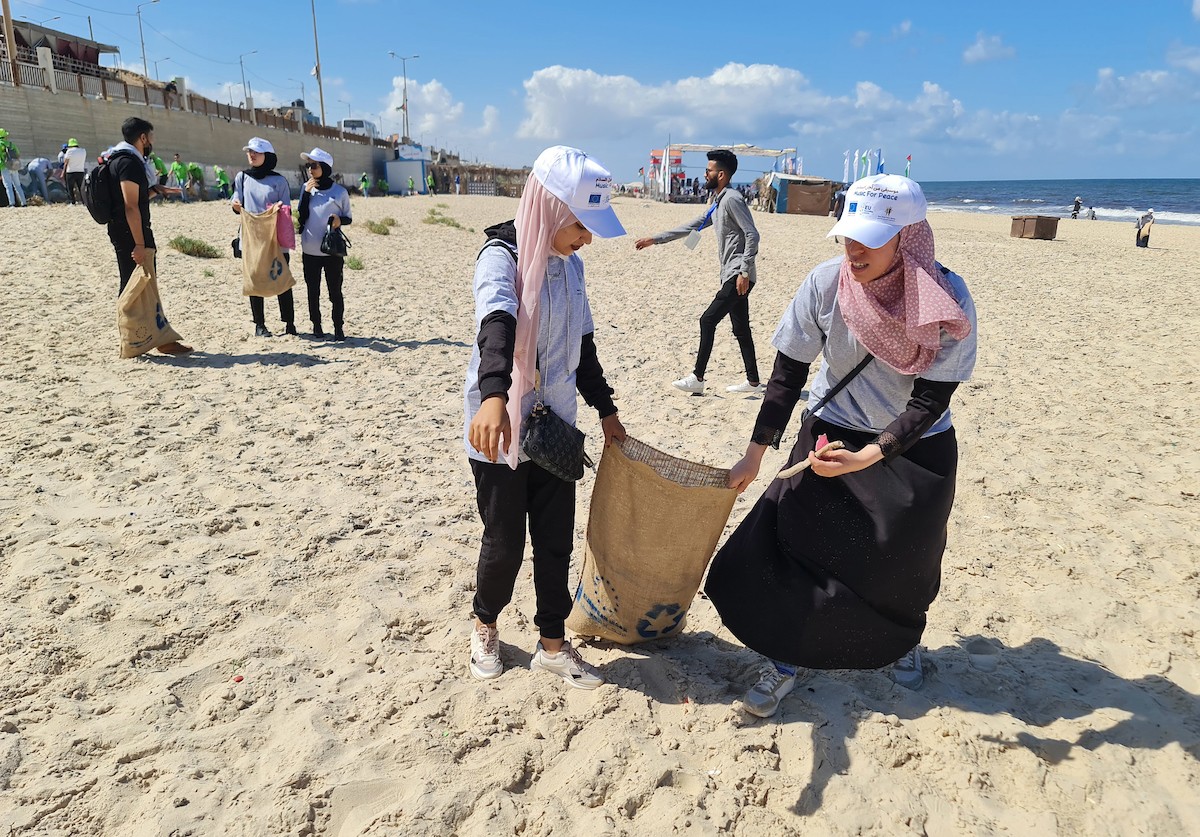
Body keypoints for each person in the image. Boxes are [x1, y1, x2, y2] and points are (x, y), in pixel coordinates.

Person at [705, 174, 976, 718]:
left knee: (904, 562)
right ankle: (783, 659)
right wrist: (755, 455)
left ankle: (903, 647)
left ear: (910, 236)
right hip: (831, 431)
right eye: (848, 235)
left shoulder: (947, 298)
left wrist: (871, 456)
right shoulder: (825, 284)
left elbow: (930, 402)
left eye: (870, 238)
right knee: (791, 546)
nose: (853, 249)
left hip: (912, 447)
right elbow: (787, 375)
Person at [463, 145, 627, 689]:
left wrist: (606, 410)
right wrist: (493, 398)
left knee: (555, 542)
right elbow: (497, 327)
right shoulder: (500, 258)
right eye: (580, 224)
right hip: (502, 428)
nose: (585, 238)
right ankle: (485, 624)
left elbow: (584, 345)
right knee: (504, 542)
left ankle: (552, 646)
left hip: (554, 427)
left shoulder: (573, 267)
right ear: (551, 209)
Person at [635, 148, 763, 395]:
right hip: (731, 274)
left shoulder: (733, 199)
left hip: (738, 274)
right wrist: (656, 239)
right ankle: (754, 382)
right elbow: (694, 226)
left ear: (722, 174)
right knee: (741, 329)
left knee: (707, 320)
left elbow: (752, 234)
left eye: (709, 170)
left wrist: (744, 271)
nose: (705, 174)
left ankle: (698, 377)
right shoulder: (719, 201)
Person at [106, 117, 192, 354]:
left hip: (125, 231)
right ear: (142, 138)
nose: (152, 141)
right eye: (151, 137)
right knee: (134, 285)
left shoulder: (118, 159)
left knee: (142, 285)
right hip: (132, 234)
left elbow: (132, 200)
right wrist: (140, 244)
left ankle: (155, 339)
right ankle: (136, 341)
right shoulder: (129, 163)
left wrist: (155, 190)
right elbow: (130, 206)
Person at [231, 137, 296, 336]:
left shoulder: (279, 181)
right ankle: (260, 325)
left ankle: (289, 323)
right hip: (251, 240)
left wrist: (277, 209)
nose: (251, 155)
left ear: (267, 156)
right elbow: (236, 200)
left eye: (256, 152)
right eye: (249, 152)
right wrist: (235, 205)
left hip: (275, 240)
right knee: (254, 280)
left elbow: (287, 209)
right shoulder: (242, 177)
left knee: (282, 279)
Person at [297, 148, 352, 339]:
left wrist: (339, 220)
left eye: (314, 165)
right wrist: (305, 194)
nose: (310, 169)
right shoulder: (307, 189)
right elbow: (301, 216)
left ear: (325, 167)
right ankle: (317, 326)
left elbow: (348, 218)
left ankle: (338, 327)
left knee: (335, 291)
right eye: (309, 165)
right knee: (313, 291)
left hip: (332, 251)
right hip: (310, 249)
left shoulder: (340, 192)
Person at [0, 129, 26, 208]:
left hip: (4, 167)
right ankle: (23, 203)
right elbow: (18, 154)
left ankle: (12, 203)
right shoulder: (11, 144)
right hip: (14, 166)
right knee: (17, 185)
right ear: (5, 136)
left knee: (8, 186)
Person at [62, 138, 87, 205]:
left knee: (70, 188)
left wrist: (62, 173)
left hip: (70, 171)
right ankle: (84, 202)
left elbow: (66, 163)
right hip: (80, 171)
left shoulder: (69, 151)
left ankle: (72, 202)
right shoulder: (83, 151)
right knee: (81, 188)